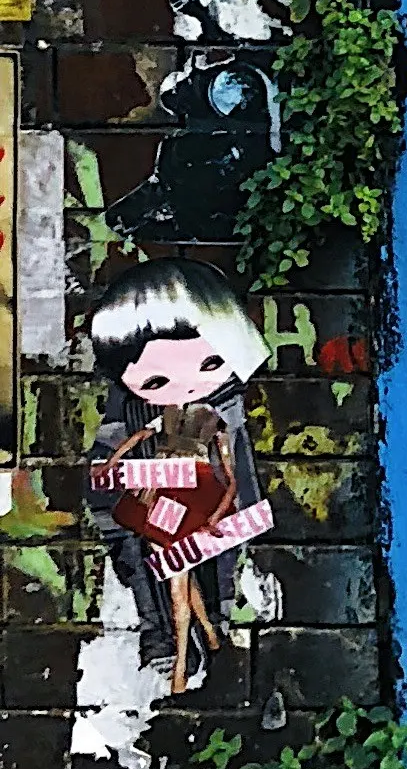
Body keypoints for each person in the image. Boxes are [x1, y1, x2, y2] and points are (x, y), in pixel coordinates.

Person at [82, 260, 272, 695]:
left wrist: (223, 513)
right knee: (170, 573)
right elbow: (123, 453)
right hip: (165, 502)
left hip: (196, 501)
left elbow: (233, 474)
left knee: (183, 575)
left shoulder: (218, 416)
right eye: (156, 378)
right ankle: (191, 641)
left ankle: (198, 642)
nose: (187, 384)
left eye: (210, 363)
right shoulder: (146, 415)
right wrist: (114, 470)